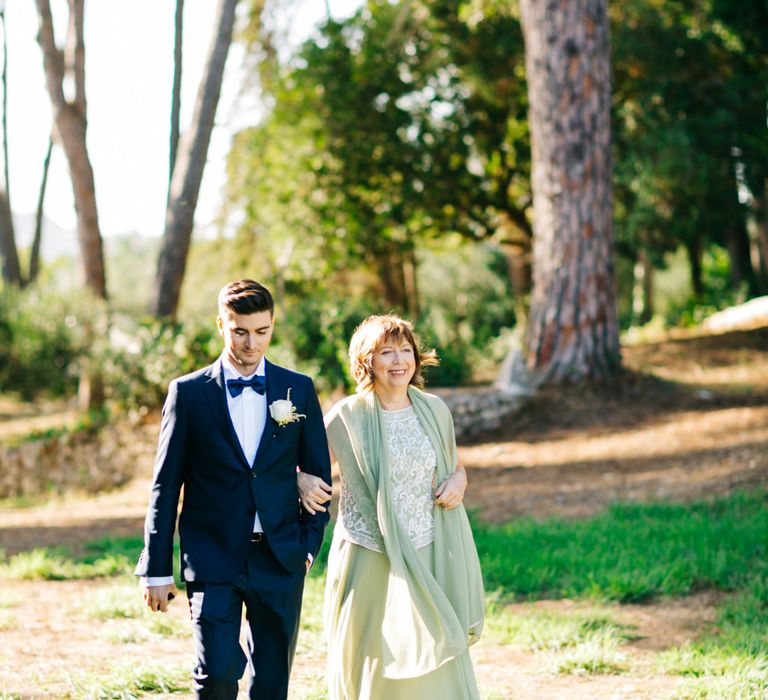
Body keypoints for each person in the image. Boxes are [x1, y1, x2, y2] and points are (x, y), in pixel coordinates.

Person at [135, 279, 332, 700]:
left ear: (273, 326)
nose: (251, 343)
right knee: (218, 673)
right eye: (240, 330)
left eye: (262, 331)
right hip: (212, 556)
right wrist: (155, 567)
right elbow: (165, 486)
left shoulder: (297, 389)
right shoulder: (187, 393)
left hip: (280, 557)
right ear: (221, 325)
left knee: (272, 683)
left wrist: (308, 546)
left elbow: (318, 480)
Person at [314, 313, 485, 699]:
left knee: (430, 643)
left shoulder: (435, 410)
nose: (398, 360)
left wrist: (460, 481)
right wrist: (299, 480)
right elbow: (310, 472)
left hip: (425, 545)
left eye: (405, 350)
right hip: (367, 551)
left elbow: (453, 465)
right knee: (372, 651)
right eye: (386, 352)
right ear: (367, 361)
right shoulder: (346, 416)